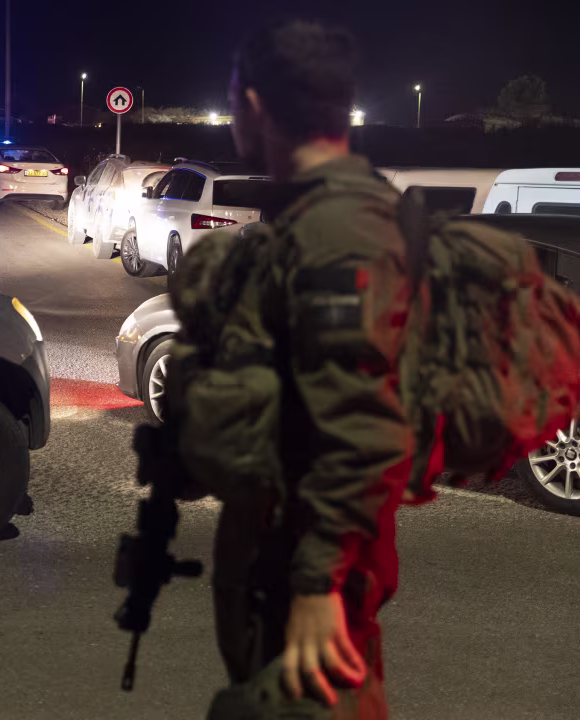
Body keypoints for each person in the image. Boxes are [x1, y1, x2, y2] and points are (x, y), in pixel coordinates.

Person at [199, 20, 412, 719]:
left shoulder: (335, 232)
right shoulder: (333, 215)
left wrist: (318, 583)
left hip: (306, 581)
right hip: (290, 562)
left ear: (255, 105)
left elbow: (359, 416)